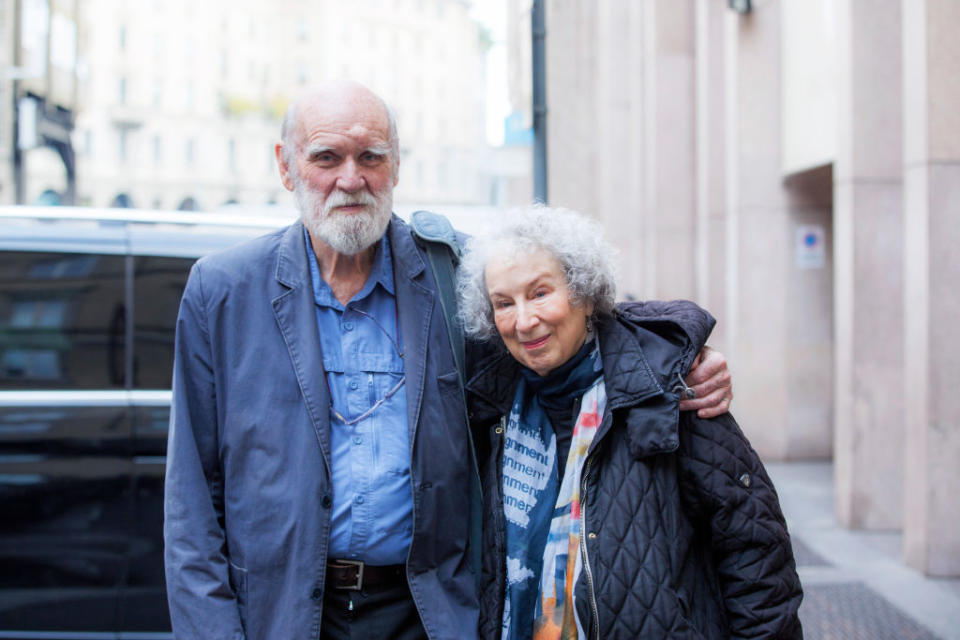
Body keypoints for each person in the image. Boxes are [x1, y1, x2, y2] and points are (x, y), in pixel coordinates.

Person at [162, 81, 734, 639]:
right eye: (326, 157)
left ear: (396, 165)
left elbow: (572, 321)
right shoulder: (223, 291)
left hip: (429, 613)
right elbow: (190, 504)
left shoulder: (456, 273)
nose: (351, 178)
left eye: (371, 156)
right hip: (280, 614)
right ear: (286, 167)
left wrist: (682, 352)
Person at [458, 206, 803, 639]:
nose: (524, 320)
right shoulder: (489, 407)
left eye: (541, 293)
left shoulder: (666, 391)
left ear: (583, 293)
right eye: (504, 304)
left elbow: (755, 553)